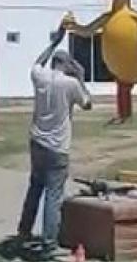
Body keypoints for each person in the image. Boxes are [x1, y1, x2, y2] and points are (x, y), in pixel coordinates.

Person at [17, 17, 92, 245]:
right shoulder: (69, 84)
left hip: (37, 142)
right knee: (53, 194)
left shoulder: (40, 77)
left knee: (35, 188)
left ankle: (24, 230)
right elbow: (87, 104)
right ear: (66, 64)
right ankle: (49, 241)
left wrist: (55, 41)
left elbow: (38, 62)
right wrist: (81, 77)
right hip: (57, 146)